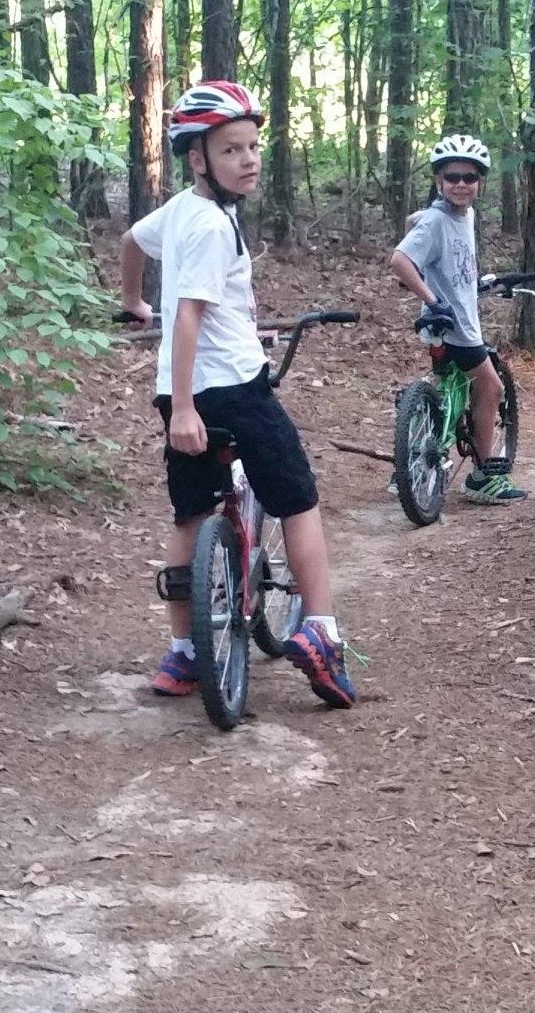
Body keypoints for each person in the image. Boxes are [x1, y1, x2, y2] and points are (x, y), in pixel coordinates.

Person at [117, 79, 355, 708]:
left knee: (191, 514)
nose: (248, 159)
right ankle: (322, 633)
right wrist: (191, 405)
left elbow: (130, 243)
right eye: (231, 150)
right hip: (226, 393)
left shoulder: (182, 212)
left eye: (252, 146)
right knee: (299, 499)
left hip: (180, 392)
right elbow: (191, 316)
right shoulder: (210, 228)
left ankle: (186, 652)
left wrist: (132, 302)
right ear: (198, 158)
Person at [385, 134, 527, 505]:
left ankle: (410, 458)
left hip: (446, 324)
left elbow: (450, 262)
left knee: (449, 390)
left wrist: (477, 284)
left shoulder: (461, 216)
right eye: (452, 177)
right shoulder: (435, 220)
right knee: (492, 388)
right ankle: (483, 475)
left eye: (469, 177)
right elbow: (400, 261)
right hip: (456, 326)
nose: (461, 184)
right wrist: (433, 299)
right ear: (438, 181)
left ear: (480, 182)